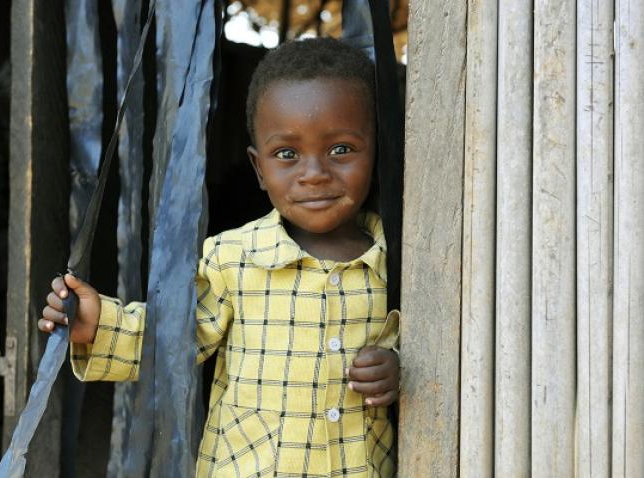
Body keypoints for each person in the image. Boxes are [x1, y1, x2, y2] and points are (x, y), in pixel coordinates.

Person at [39, 37, 400, 477]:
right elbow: (172, 341)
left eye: (341, 149)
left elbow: (433, 355)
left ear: (376, 150)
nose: (314, 173)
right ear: (258, 169)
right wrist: (98, 325)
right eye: (287, 154)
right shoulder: (234, 259)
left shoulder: (396, 266)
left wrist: (397, 370)